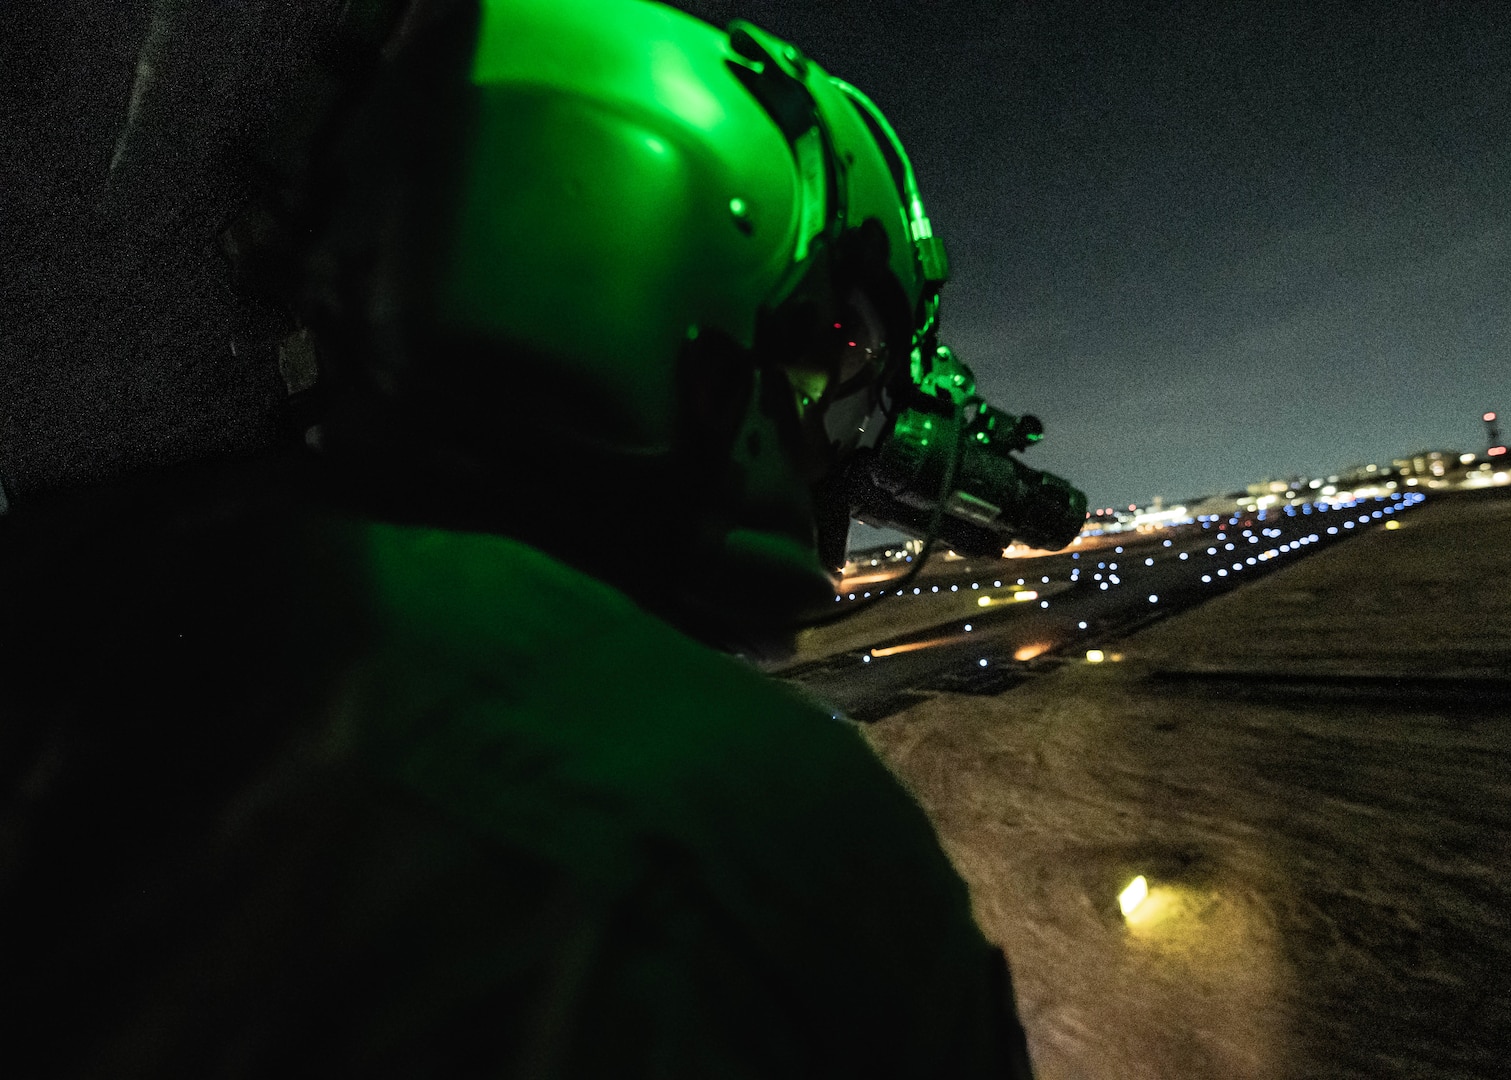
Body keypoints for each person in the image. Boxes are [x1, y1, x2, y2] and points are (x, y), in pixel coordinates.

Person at [0, 0, 1036, 1075]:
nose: (839, 433)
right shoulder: (793, 850)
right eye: (836, 348)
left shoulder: (69, 590)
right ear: (663, 250)